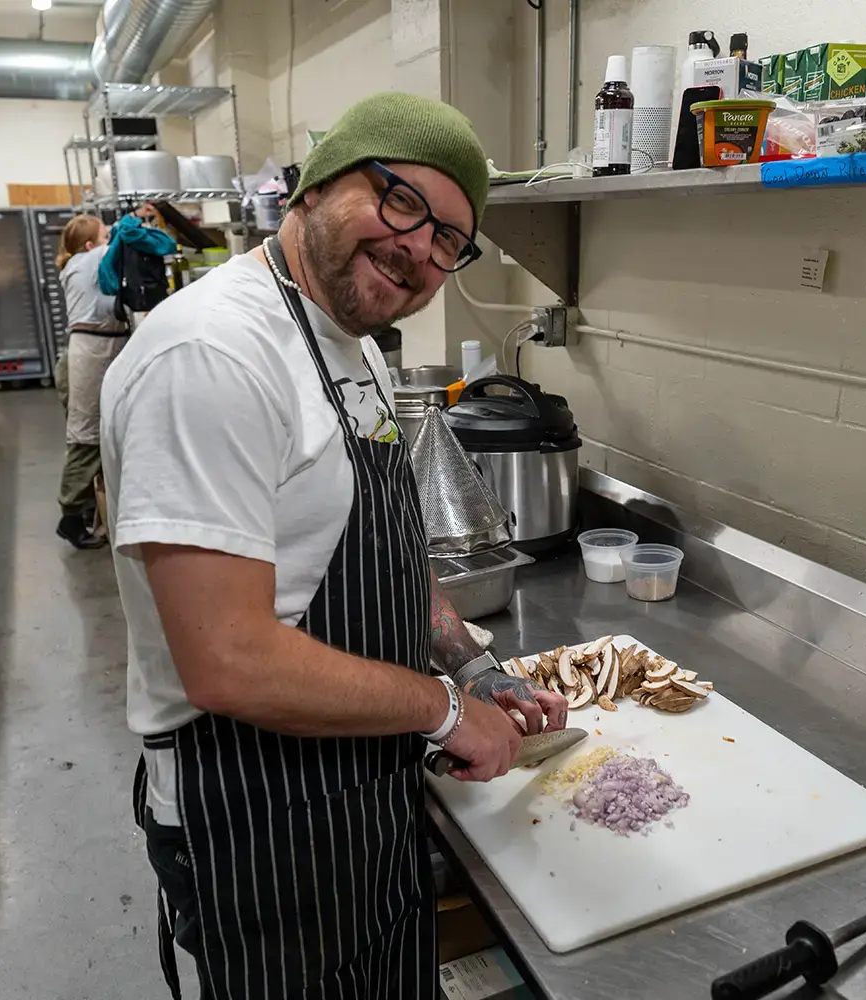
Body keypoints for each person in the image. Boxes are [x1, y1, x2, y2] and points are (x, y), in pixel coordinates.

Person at [100, 91, 571, 1000]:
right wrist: (440, 708)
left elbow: (384, 553)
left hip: (357, 785)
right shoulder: (213, 356)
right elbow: (228, 663)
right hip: (256, 818)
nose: (417, 249)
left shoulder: (349, 339)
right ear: (314, 186)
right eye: (399, 201)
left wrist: (472, 667)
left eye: (448, 239)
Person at [54, 214, 127, 550]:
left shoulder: (81, 261)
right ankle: (70, 517)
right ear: (88, 244)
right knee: (85, 437)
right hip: (91, 351)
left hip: (93, 348)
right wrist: (134, 220)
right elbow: (121, 244)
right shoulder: (89, 259)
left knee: (93, 434)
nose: (109, 234)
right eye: (103, 233)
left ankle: (83, 512)